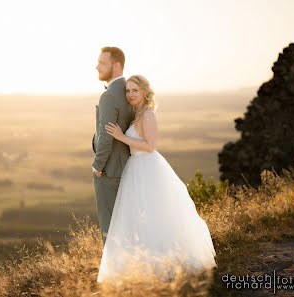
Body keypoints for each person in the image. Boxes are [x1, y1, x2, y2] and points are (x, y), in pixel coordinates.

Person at [96, 75, 217, 283]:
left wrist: (120, 137)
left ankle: (164, 266)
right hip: (134, 169)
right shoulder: (137, 114)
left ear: (145, 92)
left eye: (135, 90)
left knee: (154, 216)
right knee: (138, 219)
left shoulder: (148, 115)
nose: (130, 94)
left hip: (147, 168)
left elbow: (150, 146)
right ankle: (141, 265)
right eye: (128, 91)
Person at [92, 46, 135, 245]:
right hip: (129, 166)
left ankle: (115, 270)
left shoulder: (109, 96)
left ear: (116, 65)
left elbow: (106, 136)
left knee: (110, 226)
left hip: (110, 170)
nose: (97, 67)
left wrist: (98, 166)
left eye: (102, 63)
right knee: (128, 222)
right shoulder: (131, 91)